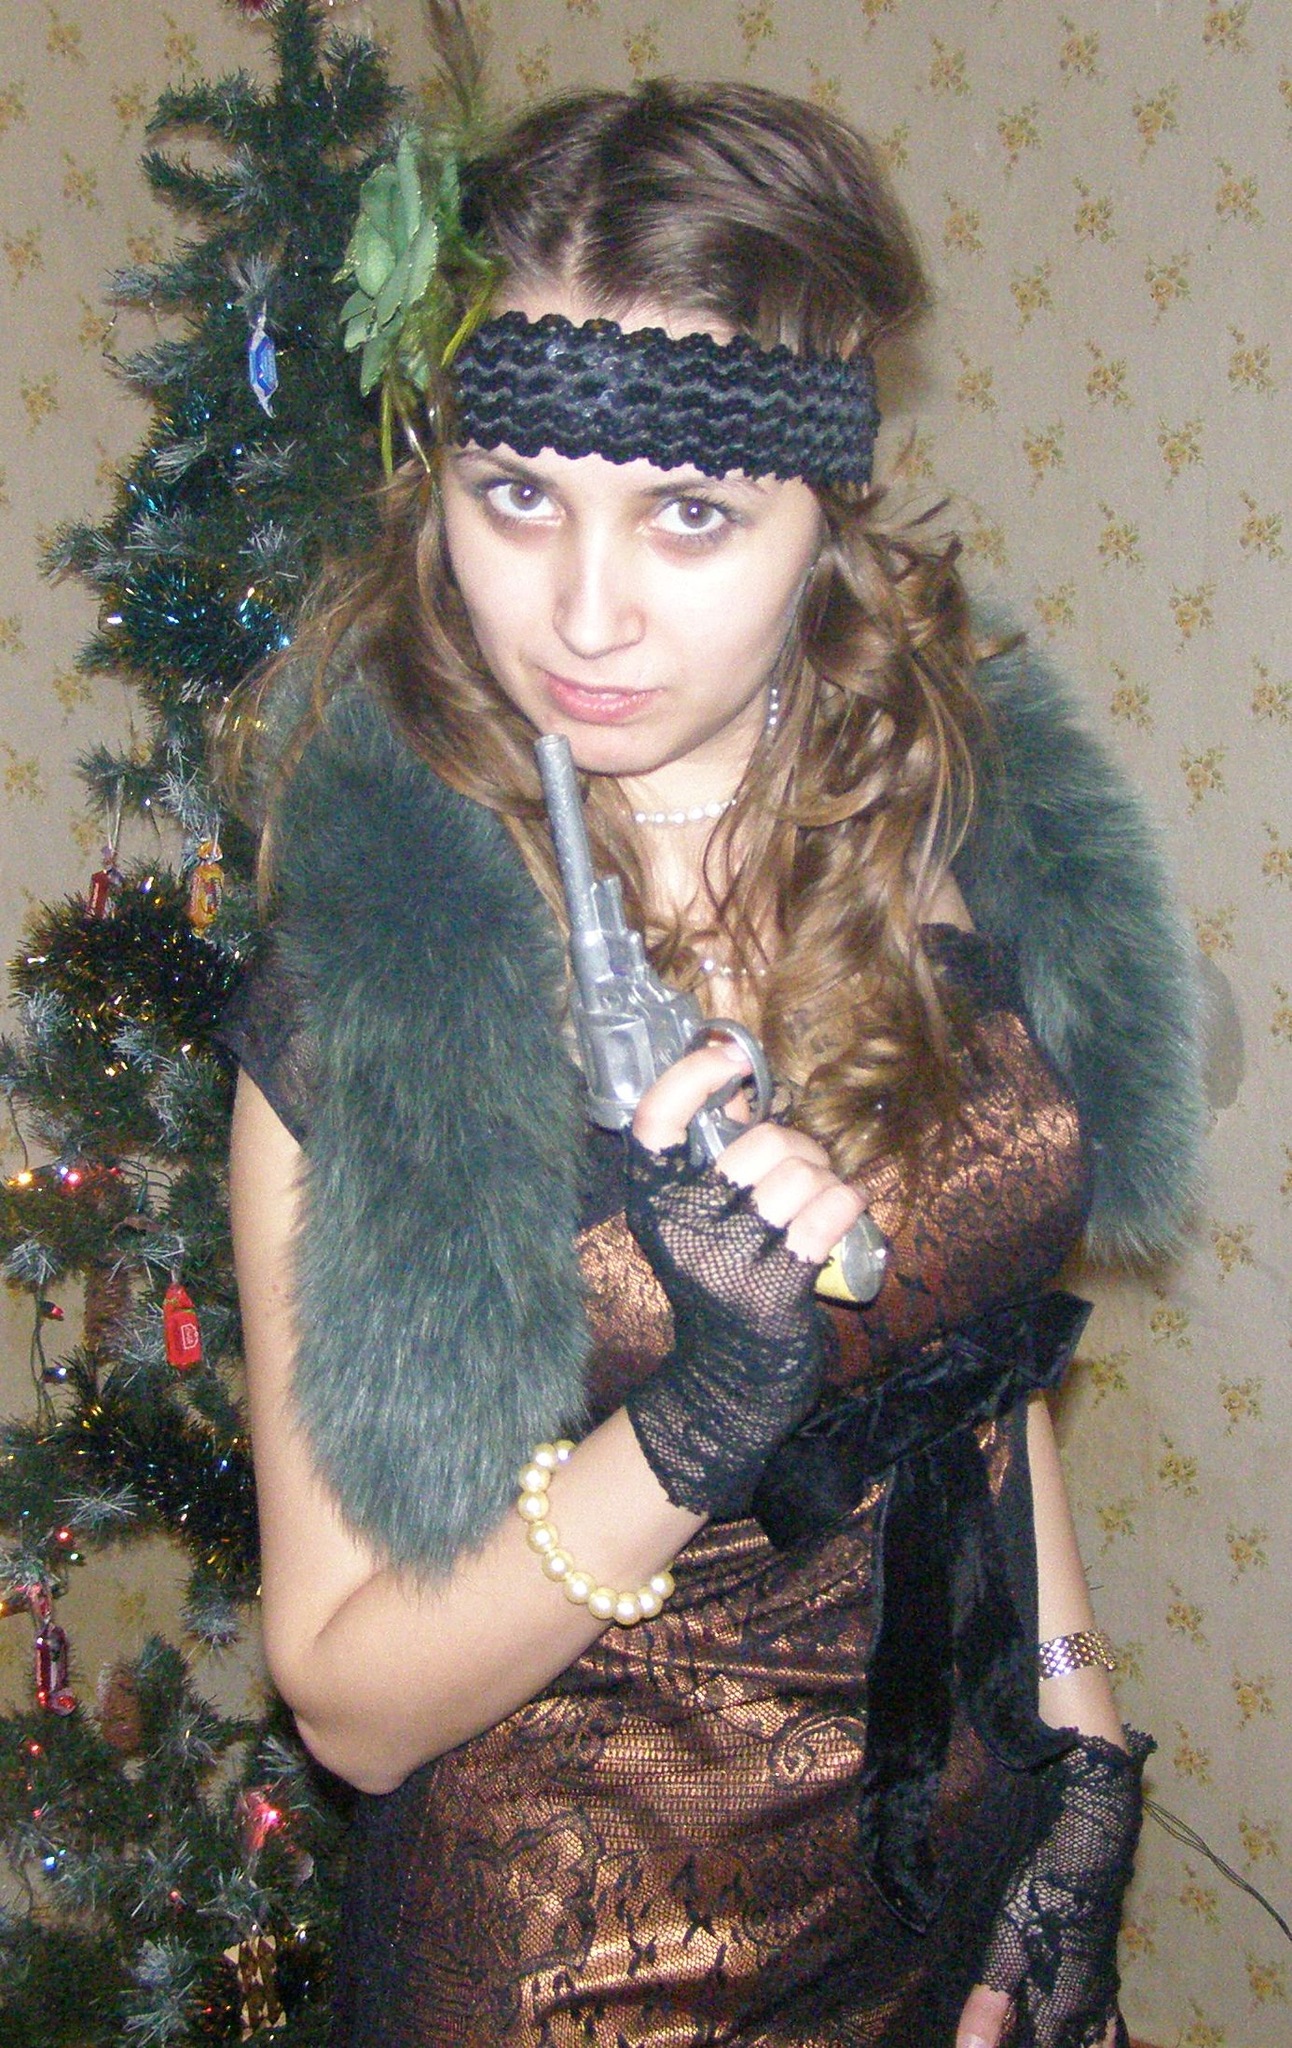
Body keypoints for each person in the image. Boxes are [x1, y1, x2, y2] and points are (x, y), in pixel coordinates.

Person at [219, 28, 1202, 2048]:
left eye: (685, 513)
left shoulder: (936, 824)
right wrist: (696, 1421)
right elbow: (347, 1697)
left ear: (821, 512)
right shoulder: (382, 998)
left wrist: (1080, 1774)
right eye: (516, 495)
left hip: (942, 1893)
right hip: (582, 1967)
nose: (582, 616)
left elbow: (977, 1361)